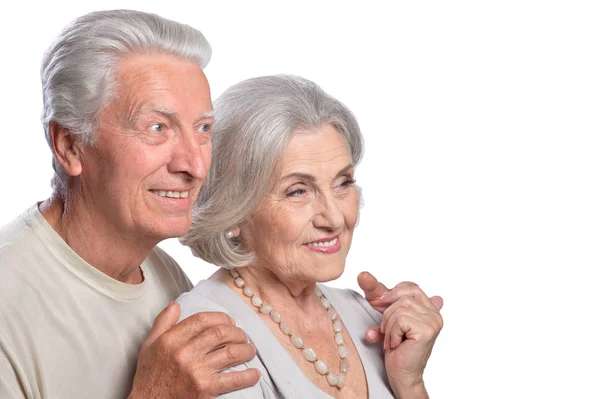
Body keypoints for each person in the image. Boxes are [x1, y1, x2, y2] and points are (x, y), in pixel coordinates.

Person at [0, 10, 260, 398]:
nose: (196, 164)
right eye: (157, 128)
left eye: (203, 129)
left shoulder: (166, 276)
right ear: (70, 146)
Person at [178, 75, 444, 398]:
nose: (334, 218)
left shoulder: (365, 317)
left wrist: (410, 383)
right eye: (298, 191)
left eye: (343, 182)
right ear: (233, 211)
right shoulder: (210, 338)